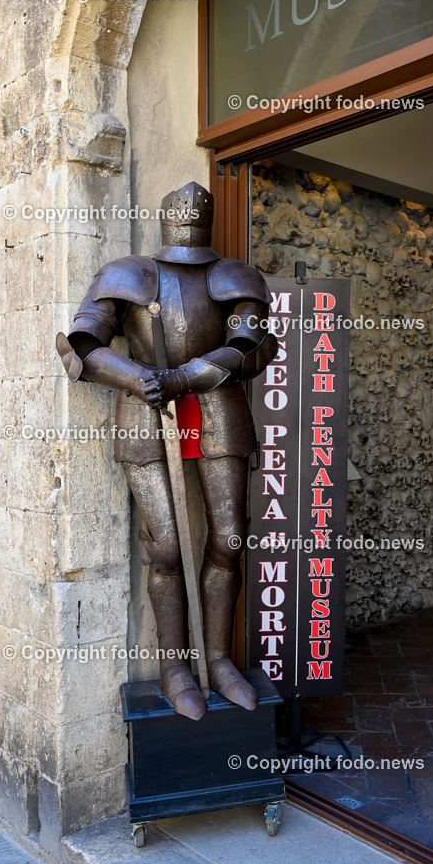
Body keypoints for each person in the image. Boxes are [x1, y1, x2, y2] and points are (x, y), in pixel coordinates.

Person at [56, 183, 277, 720]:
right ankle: (175, 664)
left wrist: (184, 376)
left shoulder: (236, 275)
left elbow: (253, 346)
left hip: (218, 407)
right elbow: (81, 345)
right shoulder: (129, 274)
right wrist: (140, 379)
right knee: (168, 548)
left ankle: (219, 660)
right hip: (147, 410)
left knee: (229, 538)